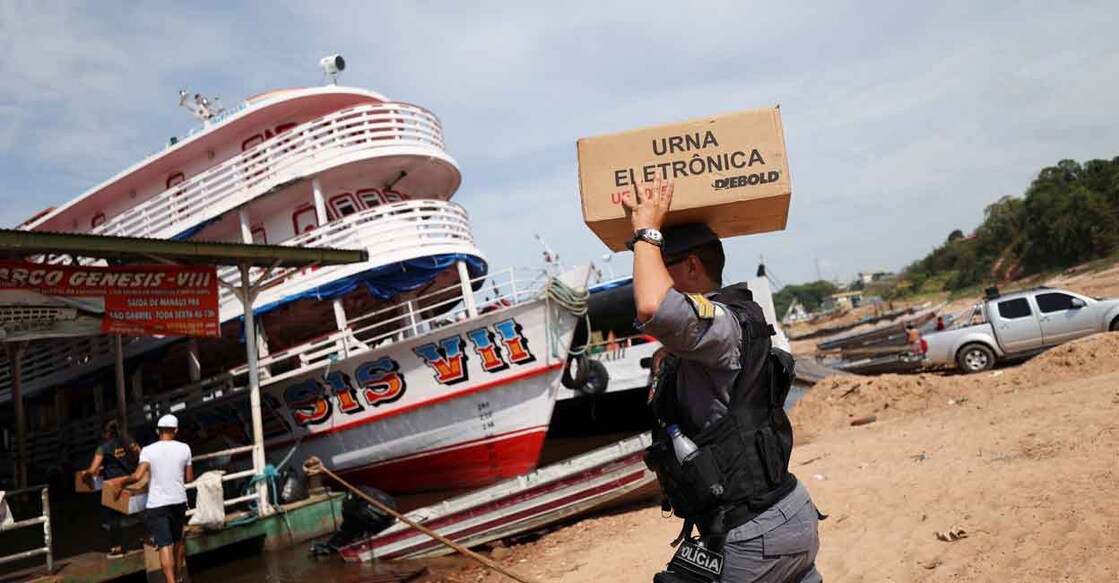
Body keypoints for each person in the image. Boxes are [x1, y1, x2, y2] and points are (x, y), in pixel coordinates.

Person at [622, 177, 822, 582]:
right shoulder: (719, 331)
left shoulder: (721, 325)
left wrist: (646, 232)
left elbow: (652, 305)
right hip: (782, 515)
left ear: (692, 267)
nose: (650, 272)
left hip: (751, 533)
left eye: (664, 264)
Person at [115, 414, 193, 583]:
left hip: (157, 505)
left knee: (164, 545)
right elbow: (189, 479)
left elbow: (137, 476)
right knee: (179, 540)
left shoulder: (148, 451)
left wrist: (122, 483)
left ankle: (170, 582)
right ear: (176, 430)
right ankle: (179, 577)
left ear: (158, 431)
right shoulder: (185, 448)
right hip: (178, 501)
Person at [79, 419, 140, 558]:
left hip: (113, 484)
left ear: (106, 433)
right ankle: (150, 538)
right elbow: (140, 453)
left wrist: (85, 473)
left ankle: (118, 548)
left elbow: (93, 469)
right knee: (140, 511)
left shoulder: (103, 448)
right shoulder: (128, 441)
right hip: (129, 481)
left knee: (113, 518)